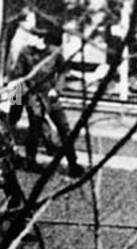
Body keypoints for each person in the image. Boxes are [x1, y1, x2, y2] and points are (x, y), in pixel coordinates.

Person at [10, 26, 84, 177]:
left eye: (32, 37)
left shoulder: (54, 53)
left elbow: (63, 70)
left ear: (41, 39)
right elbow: (18, 76)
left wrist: (57, 89)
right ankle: (30, 161)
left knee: (64, 128)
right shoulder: (25, 52)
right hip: (33, 95)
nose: (29, 40)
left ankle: (73, 163)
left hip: (50, 96)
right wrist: (17, 99)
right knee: (35, 128)